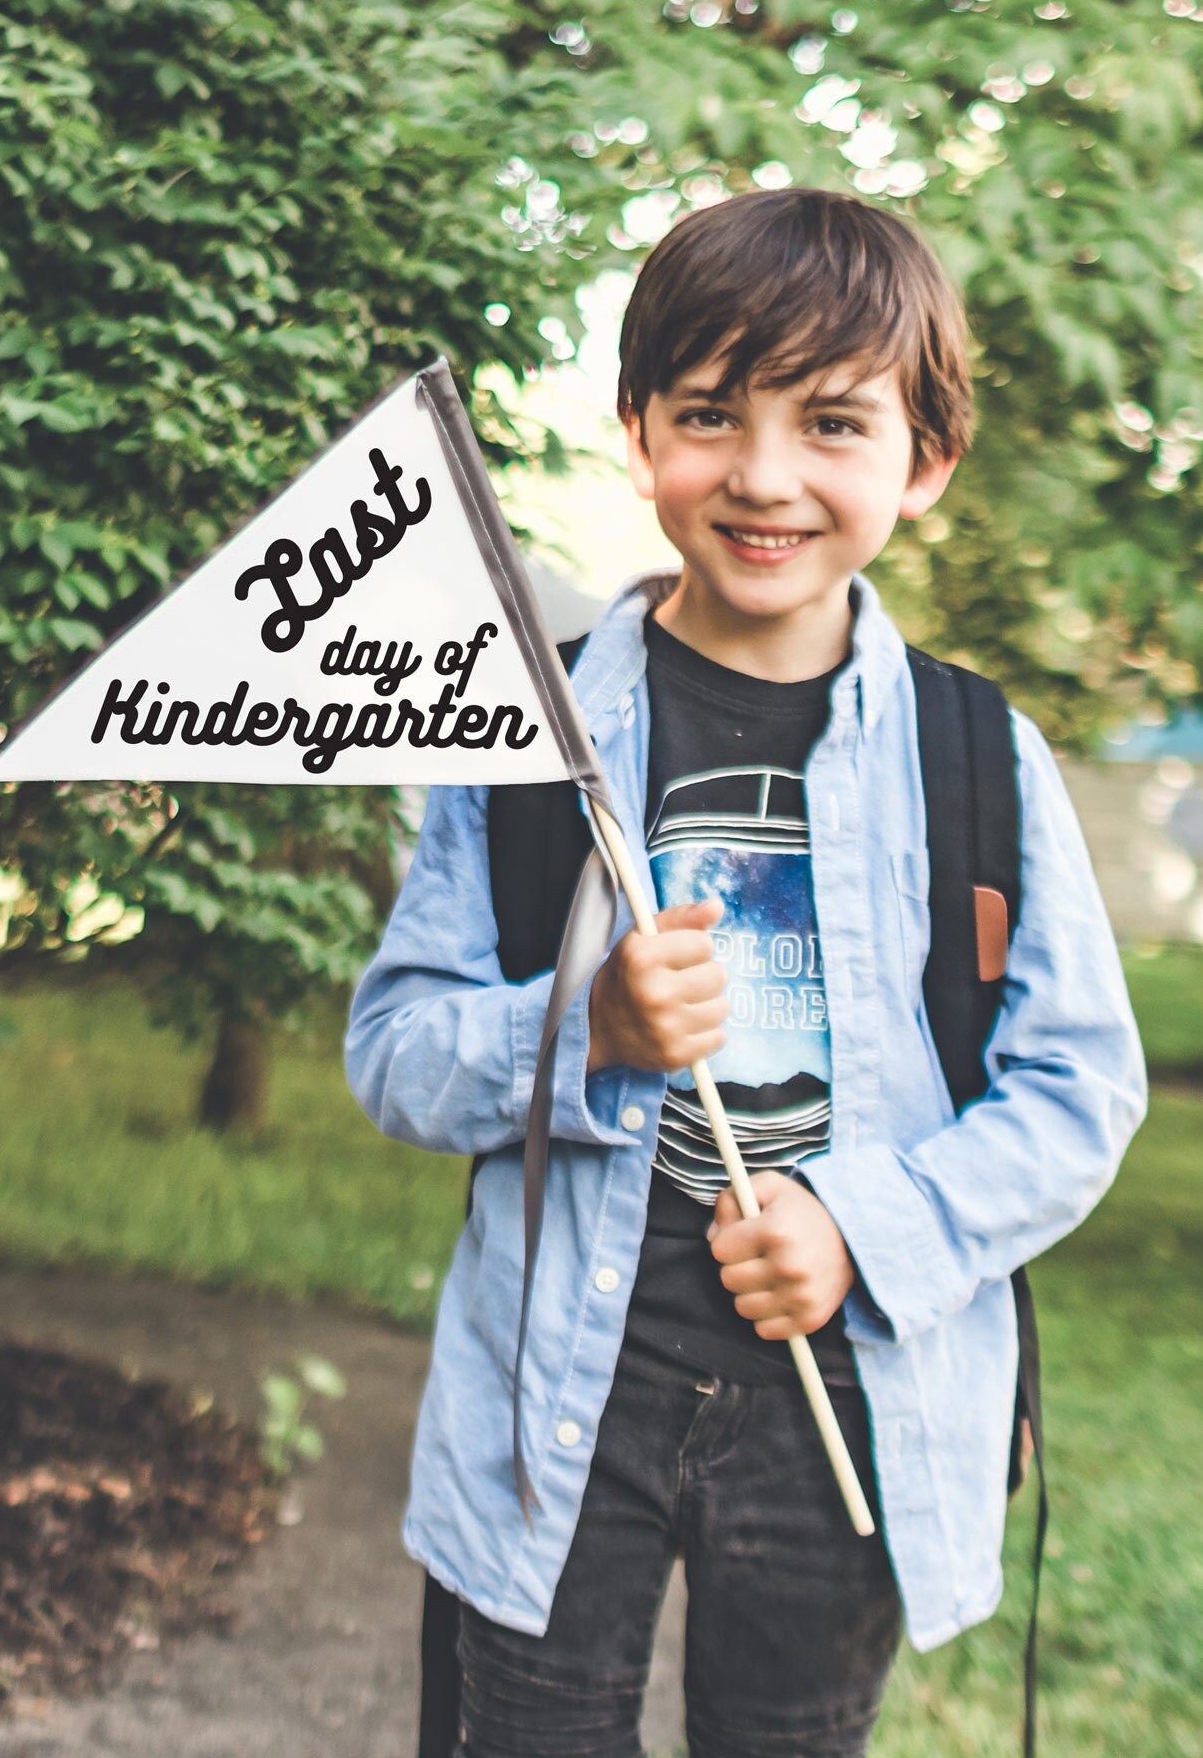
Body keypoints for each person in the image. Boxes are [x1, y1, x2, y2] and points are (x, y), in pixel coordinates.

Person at [346, 187, 1147, 1758]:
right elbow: (398, 1048)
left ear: (924, 463)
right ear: (639, 432)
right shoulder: (528, 738)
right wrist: (586, 1028)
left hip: (846, 1399)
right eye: (711, 413)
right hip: (564, 1398)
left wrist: (867, 1224)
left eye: (833, 422)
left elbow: (1080, 1088)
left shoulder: (980, 754)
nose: (764, 476)